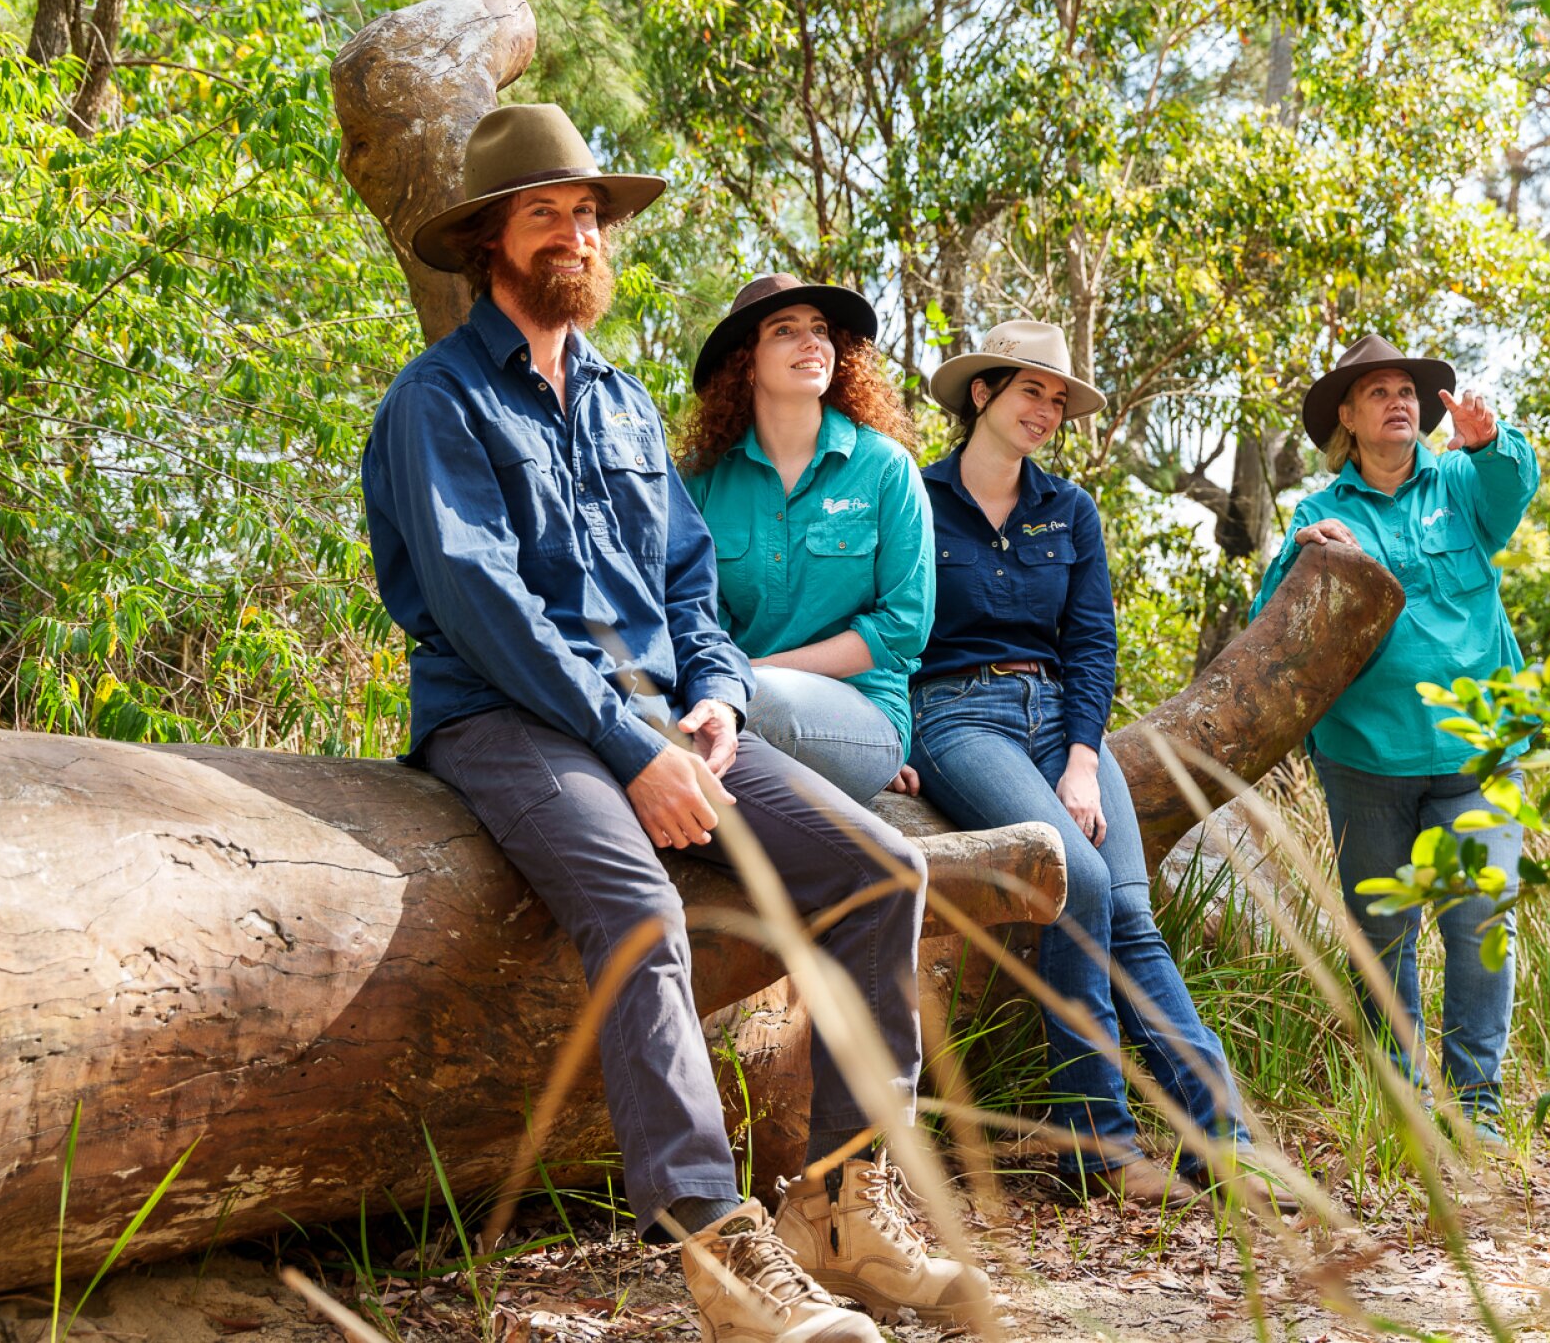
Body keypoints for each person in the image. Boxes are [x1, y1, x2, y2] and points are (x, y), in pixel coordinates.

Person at [359, 104, 986, 1342]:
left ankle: (842, 1203)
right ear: (491, 240)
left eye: (589, 213)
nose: (577, 233)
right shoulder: (436, 403)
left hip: (664, 718)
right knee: (640, 909)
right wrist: (628, 745)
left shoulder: (621, 402)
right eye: (548, 211)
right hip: (503, 718)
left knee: (881, 868)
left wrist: (717, 694)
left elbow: (689, 586)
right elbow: (483, 606)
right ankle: (718, 1250)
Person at [905, 320, 1247, 1204]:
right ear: (982, 394)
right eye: (1032, 392)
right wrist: (888, 735)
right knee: (1081, 885)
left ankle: (1227, 1144)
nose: (1049, 411)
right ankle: (1096, 1145)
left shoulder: (1071, 509)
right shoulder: (912, 496)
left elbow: (1093, 644)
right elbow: (890, 625)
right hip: (959, 715)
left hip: (1061, 717)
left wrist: (1084, 761)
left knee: (1128, 909)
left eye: (1059, 400)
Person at [1249, 334, 1539, 1145]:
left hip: (1479, 749)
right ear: (1347, 417)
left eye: (1407, 390)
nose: (1399, 401)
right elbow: (1278, 626)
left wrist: (1491, 443)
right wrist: (1303, 562)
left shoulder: (1462, 482)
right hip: (1366, 758)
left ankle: (1477, 1106)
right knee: (1383, 934)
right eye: (1378, 392)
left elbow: (1515, 488)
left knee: (1480, 918)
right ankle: (1404, 1098)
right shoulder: (1320, 511)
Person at [680, 274, 933, 806]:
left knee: (758, 701)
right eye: (785, 330)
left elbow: (904, 626)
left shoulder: (886, 468)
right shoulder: (702, 481)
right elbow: (691, 613)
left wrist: (747, 676)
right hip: (730, 701)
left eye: (819, 329)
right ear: (745, 361)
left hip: (859, 709)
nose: (812, 342)